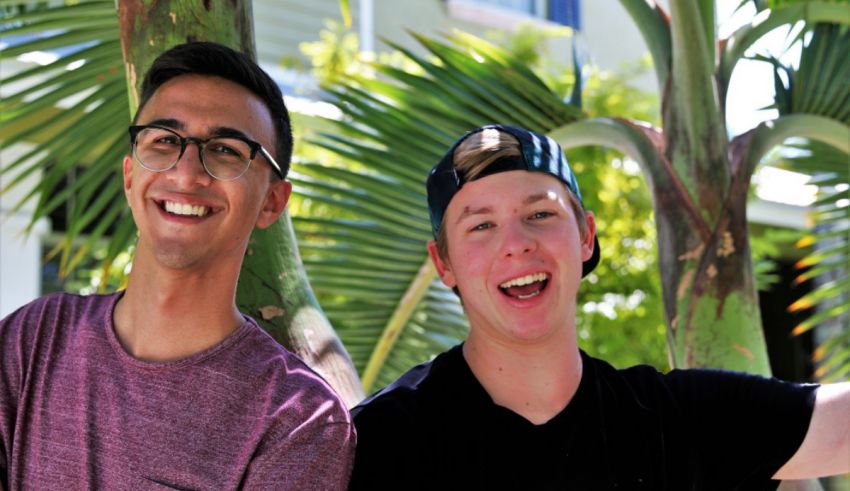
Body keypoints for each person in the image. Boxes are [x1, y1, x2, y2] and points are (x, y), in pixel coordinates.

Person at [348, 124, 850, 490]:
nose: (516, 244)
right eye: (481, 225)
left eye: (539, 214)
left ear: (586, 235)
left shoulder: (670, 423)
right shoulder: (382, 442)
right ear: (444, 263)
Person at [0, 42, 355, 490]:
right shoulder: (33, 338)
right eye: (165, 141)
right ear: (130, 176)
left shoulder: (299, 418)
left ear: (271, 202)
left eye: (226, 150)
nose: (186, 175)